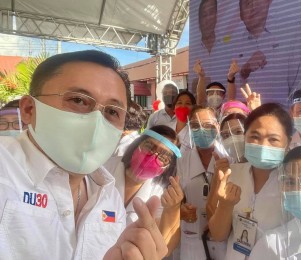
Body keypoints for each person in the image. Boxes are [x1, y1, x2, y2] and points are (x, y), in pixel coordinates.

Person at [0, 50, 167, 259]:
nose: (96, 122)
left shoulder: (108, 197)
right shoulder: (5, 171)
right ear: (29, 109)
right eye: (79, 100)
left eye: (112, 112)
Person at [208, 103, 293, 260]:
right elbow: (218, 235)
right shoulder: (232, 174)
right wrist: (226, 205)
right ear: (245, 137)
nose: (262, 145)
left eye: (273, 139)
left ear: (288, 143)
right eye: (254, 136)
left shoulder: (294, 183)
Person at [105, 125, 183, 254]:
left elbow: (164, 246)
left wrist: (172, 209)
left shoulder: (159, 193)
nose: (152, 157)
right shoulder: (104, 169)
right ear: (137, 144)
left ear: (168, 167)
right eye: (149, 146)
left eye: (163, 157)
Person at [177, 106, 229, 260]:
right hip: (192, 234)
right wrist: (181, 208)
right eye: (195, 126)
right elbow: (178, 196)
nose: (201, 130)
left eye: (207, 125)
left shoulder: (229, 158)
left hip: (222, 238)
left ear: (218, 127)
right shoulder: (182, 160)